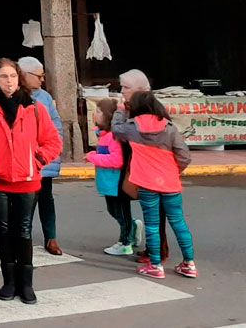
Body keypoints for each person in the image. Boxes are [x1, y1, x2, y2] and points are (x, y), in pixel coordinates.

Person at [0, 58, 61, 305]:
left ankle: (26, 283)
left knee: (24, 230)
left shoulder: (35, 107)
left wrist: (37, 159)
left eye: (13, 76)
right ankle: (8, 281)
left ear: (19, 79)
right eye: (3, 77)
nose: (9, 81)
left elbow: (53, 141)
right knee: (4, 231)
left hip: (28, 179)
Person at [113, 92, 198, 280]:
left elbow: (116, 129)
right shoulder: (170, 128)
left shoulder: (132, 128)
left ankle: (156, 265)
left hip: (146, 183)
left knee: (152, 224)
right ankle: (189, 264)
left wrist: (120, 111)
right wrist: (172, 172)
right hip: (170, 182)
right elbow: (185, 157)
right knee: (179, 222)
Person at [17, 56, 65, 256]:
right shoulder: (14, 96)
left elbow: (56, 126)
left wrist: (49, 151)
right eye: (39, 76)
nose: (42, 80)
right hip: (22, 159)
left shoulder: (44, 96)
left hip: (43, 157)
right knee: (24, 202)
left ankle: (51, 237)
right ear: (25, 75)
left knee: (46, 198)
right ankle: (22, 239)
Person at [85, 98, 136, 256]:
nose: (95, 114)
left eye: (99, 111)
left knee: (121, 213)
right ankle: (132, 229)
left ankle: (125, 242)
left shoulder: (113, 137)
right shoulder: (104, 135)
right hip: (108, 184)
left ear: (108, 116)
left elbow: (116, 160)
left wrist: (93, 157)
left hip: (117, 184)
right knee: (113, 211)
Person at [119, 68, 155, 262]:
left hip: (148, 170)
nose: (122, 91)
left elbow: (122, 132)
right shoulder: (132, 107)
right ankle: (153, 250)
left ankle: (155, 253)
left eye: (125, 87)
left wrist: (119, 114)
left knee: (154, 215)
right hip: (140, 167)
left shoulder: (146, 111)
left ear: (139, 89)